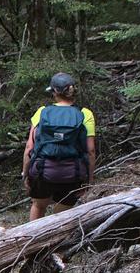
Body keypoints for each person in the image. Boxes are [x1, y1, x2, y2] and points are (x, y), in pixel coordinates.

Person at [21, 72, 96, 221]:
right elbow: (91, 151)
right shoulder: (85, 114)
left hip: (43, 171)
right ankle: (58, 242)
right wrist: (89, 179)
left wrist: (25, 174)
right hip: (72, 173)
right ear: (73, 91)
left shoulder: (42, 112)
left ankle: (33, 242)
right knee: (62, 216)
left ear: (54, 92)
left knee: (38, 206)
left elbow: (29, 147)